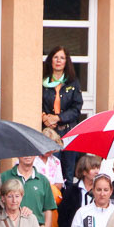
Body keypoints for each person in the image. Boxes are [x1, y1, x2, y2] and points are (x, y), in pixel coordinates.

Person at [41, 45, 84, 184]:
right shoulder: (42, 81)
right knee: (52, 168)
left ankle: (67, 204)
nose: (58, 61)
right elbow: (36, 103)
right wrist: (45, 118)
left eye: (62, 58)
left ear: (67, 61)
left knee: (68, 171)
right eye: (55, 57)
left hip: (67, 131)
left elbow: (76, 108)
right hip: (49, 131)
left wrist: (59, 118)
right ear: (50, 60)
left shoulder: (73, 82)